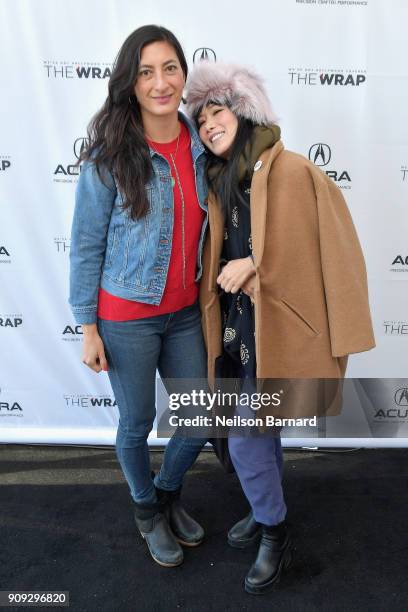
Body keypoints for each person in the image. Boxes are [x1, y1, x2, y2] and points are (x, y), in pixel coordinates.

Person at [185, 61, 375, 593]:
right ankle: (264, 506)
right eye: (200, 122)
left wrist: (258, 268)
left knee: (247, 440)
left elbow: (333, 255)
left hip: (281, 334)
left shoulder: (293, 170)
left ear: (243, 112)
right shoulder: (221, 182)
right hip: (239, 338)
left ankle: (276, 533)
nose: (208, 126)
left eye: (217, 112)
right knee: (255, 438)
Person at [69, 25, 209, 568]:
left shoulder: (202, 143)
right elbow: (85, 244)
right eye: (146, 72)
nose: (160, 82)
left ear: (183, 73)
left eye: (170, 68)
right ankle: (146, 509)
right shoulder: (110, 156)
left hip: (185, 312)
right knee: (136, 424)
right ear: (130, 82)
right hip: (126, 315)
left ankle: (167, 494)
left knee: (199, 418)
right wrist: (88, 326)